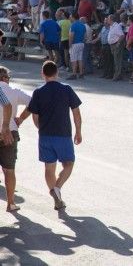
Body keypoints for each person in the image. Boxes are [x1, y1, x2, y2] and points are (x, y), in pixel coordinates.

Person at [27, 61, 82, 210]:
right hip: (63, 134)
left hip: (45, 135)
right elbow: (76, 112)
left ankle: (55, 195)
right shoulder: (66, 89)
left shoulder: (38, 92)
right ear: (57, 73)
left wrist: (41, 128)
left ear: (43, 74)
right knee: (68, 164)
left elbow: (35, 116)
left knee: (49, 168)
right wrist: (78, 131)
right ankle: (56, 189)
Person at [0, 69, 22, 212]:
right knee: (9, 170)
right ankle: (11, 203)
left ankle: (11, 203)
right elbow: (7, 105)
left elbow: (7, 105)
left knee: (8, 170)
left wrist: (5, 127)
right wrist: (6, 126)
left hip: (4, 133)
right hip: (6, 134)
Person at [67, 13, 86, 80]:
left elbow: (71, 36)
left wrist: (70, 45)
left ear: (73, 17)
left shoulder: (73, 25)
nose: (69, 18)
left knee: (73, 59)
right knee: (80, 59)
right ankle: (81, 73)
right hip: (81, 43)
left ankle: (74, 73)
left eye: (70, 17)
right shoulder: (83, 25)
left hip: (75, 44)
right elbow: (84, 36)